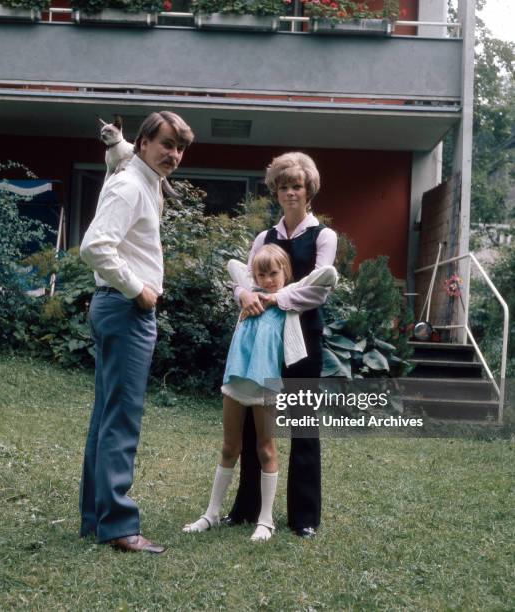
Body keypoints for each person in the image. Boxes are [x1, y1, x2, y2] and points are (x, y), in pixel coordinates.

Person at [78, 111, 194, 554]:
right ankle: (120, 526)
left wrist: (117, 144)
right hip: (126, 308)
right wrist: (137, 290)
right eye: (166, 144)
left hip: (116, 308)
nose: (174, 155)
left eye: (180, 148)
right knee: (121, 418)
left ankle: (97, 520)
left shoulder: (138, 174)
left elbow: (124, 156)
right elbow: (94, 246)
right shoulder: (130, 186)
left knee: (107, 416)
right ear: (146, 143)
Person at [183, 244, 337, 542]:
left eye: (274, 273)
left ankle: (265, 521)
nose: (267, 280)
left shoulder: (288, 304)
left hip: (266, 386)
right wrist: (246, 291)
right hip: (235, 380)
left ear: (286, 274)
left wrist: (279, 294)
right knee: (230, 448)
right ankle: (211, 514)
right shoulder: (249, 297)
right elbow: (232, 264)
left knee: (266, 449)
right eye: (261, 274)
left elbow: (327, 276)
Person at [223, 152, 337, 538]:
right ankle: (247, 509)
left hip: (304, 339)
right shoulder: (264, 238)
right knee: (258, 426)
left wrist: (274, 298)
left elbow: (318, 289)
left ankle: (304, 517)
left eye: (297, 186)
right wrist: (242, 294)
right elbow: (247, 278)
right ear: (276, 191)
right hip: (263, 340)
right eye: (284, 186)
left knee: (303, 425)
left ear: (309, 191)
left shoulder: (324, 236)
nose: (290, 192)